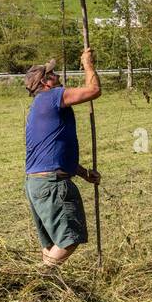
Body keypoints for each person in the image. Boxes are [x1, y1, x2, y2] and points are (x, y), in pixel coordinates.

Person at [22, 49, 101, 269]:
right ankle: (38, 281)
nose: (57, 75)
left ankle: (48, 291)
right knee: (70, 238)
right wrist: (87, 64)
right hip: (51, 186)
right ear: (46, 83)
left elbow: (54, 152)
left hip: (37, 184)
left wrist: (85, 174)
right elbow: (94, 90)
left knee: (51, 247)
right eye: (53, 73)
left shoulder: (40, 106)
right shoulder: (51, 97)